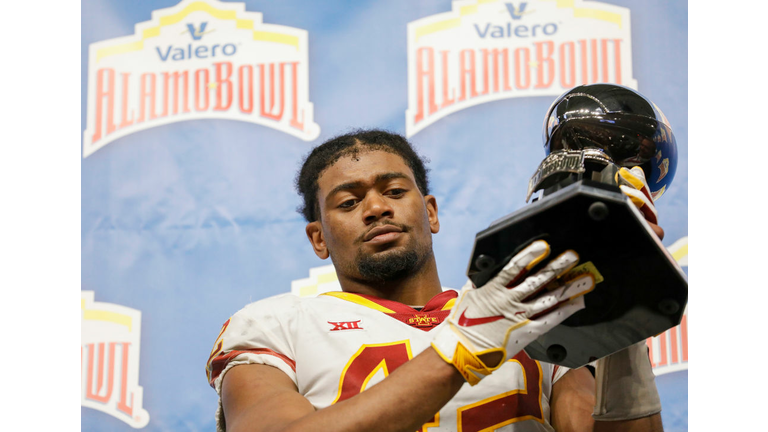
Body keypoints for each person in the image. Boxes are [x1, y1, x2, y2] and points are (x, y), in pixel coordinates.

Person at [205, 129, 665, 432]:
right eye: (347, 203)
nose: (376, 208)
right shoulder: (275, 322)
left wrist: (624, 303)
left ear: (430, 212)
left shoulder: (529, 304)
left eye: (394, 191)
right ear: (318, 239)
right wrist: (469, 339)